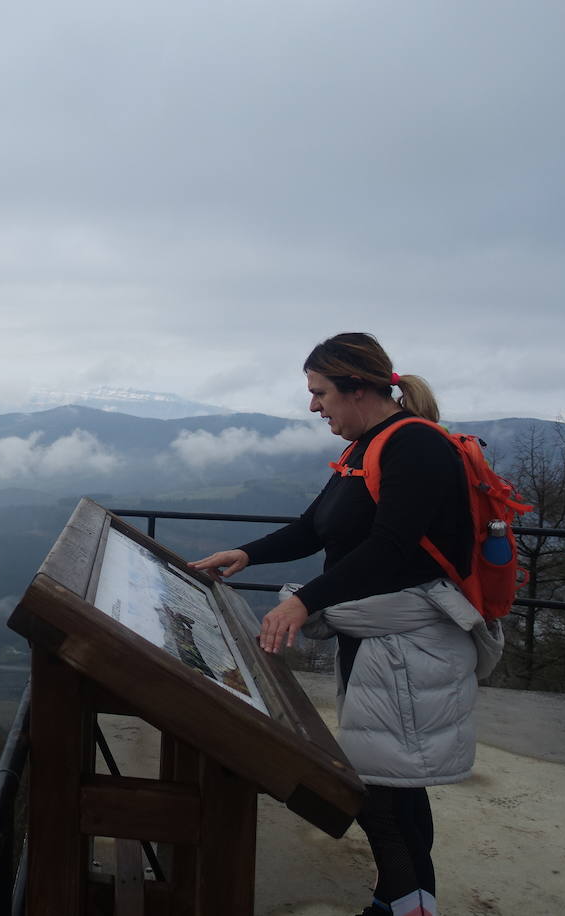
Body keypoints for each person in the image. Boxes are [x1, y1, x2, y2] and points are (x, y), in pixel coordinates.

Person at [189, 332, 502, 916]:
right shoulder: (367, 447)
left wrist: (305, 600)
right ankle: (403, 900)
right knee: (391, 781)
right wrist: (247, 553)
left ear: (358, 387)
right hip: (380, 639)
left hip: (410, 643)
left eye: (320, 393)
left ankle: (406, 904)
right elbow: (314, 528)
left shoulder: (415, 447)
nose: (314, 408)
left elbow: (390, 546)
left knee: (384, 789)